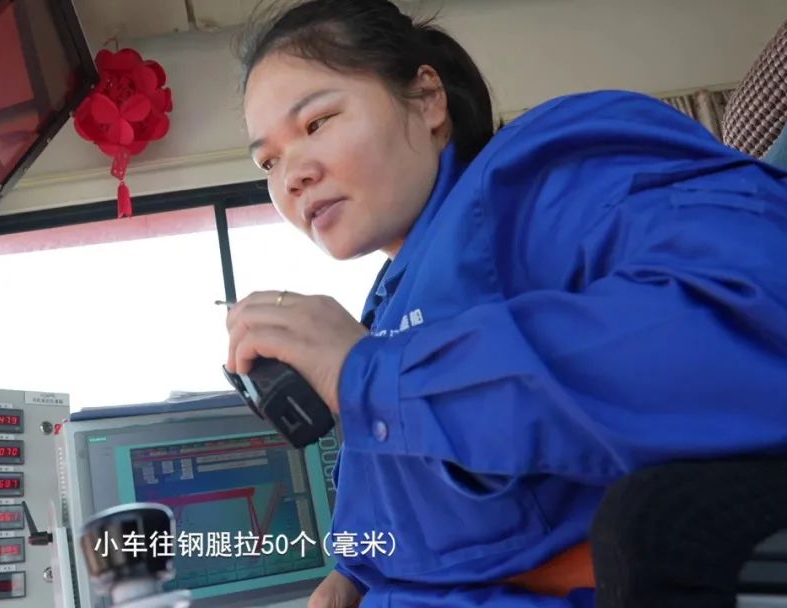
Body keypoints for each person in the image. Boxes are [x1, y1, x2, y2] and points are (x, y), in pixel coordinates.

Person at [221, 1, 787, 606]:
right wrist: (353, 573)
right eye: (269, 161)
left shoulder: (545, 165)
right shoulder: (383, 310)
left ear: (427, 99)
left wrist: (369, 376)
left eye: (317, 123)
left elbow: (748, 311)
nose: (292, 177)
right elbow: (402, 500)